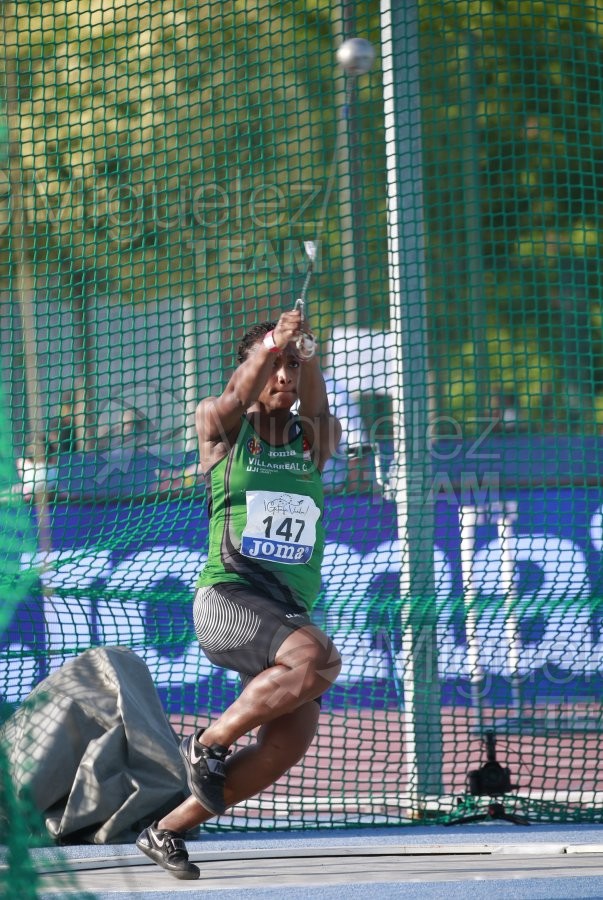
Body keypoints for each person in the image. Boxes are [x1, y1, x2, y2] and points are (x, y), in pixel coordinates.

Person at [136, 307, 342, 880]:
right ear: (256, 369)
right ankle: (208, 741)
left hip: (284, 612)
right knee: (320, 657)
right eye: (274, 366)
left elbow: (320, 405)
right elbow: (232, 393)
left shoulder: (314, 439)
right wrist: (273, 342)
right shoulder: (223, 428)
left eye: (293, 369)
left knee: (287, 744)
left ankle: (166, 830)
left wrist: (302, 348)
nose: (284, 377)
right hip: (226, 600)